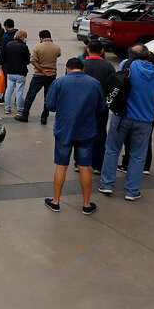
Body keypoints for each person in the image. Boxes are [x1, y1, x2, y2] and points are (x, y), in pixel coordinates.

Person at [99, 45, 154, 201]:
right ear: (147, 55)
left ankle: (107, 184)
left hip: (122, 116)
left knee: (112, 150)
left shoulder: (127, 66)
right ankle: (132, 191)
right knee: (138, 156)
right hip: (145, 120)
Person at [43, 58, 106, 215]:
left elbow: (50, 105)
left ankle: (56, 201)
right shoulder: (94, 83)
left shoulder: (59, 83)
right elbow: (101, 107)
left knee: (61, 165)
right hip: (86, 131)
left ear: (67, 68)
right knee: (85, 167)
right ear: (83, 68)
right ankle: (86, 204)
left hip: (64, 130)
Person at [81, 41, 115, 173]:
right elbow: (113, 86)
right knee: (100, 133)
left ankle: (81, 161)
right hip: (101, 106)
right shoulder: (108, 66)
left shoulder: (81, 65)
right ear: (102, 51)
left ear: (88, 50)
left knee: (82, 132)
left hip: (83, 106)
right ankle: (98, 164)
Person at [16, 30, 62, 124]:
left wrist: (42, 70)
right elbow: (58, 55)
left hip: (39, 75)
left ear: (41, 38)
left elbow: (33, 61)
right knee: (48, 96)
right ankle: (44, 117)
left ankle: (25, 115)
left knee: (31, 95)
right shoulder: (56, 48)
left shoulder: (37, 47)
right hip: (52, 75)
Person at [4, 30, 30, 116]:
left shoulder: (9, 44)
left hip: (10, 71)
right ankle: (20, 109)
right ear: (21, 37)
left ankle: (7, 108)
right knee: (19, 92)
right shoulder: (23, 47)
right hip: (20, 72)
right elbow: (27, 60)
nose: (26, 38)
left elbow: (5, 56)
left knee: (9, 90)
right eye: (25, 37)